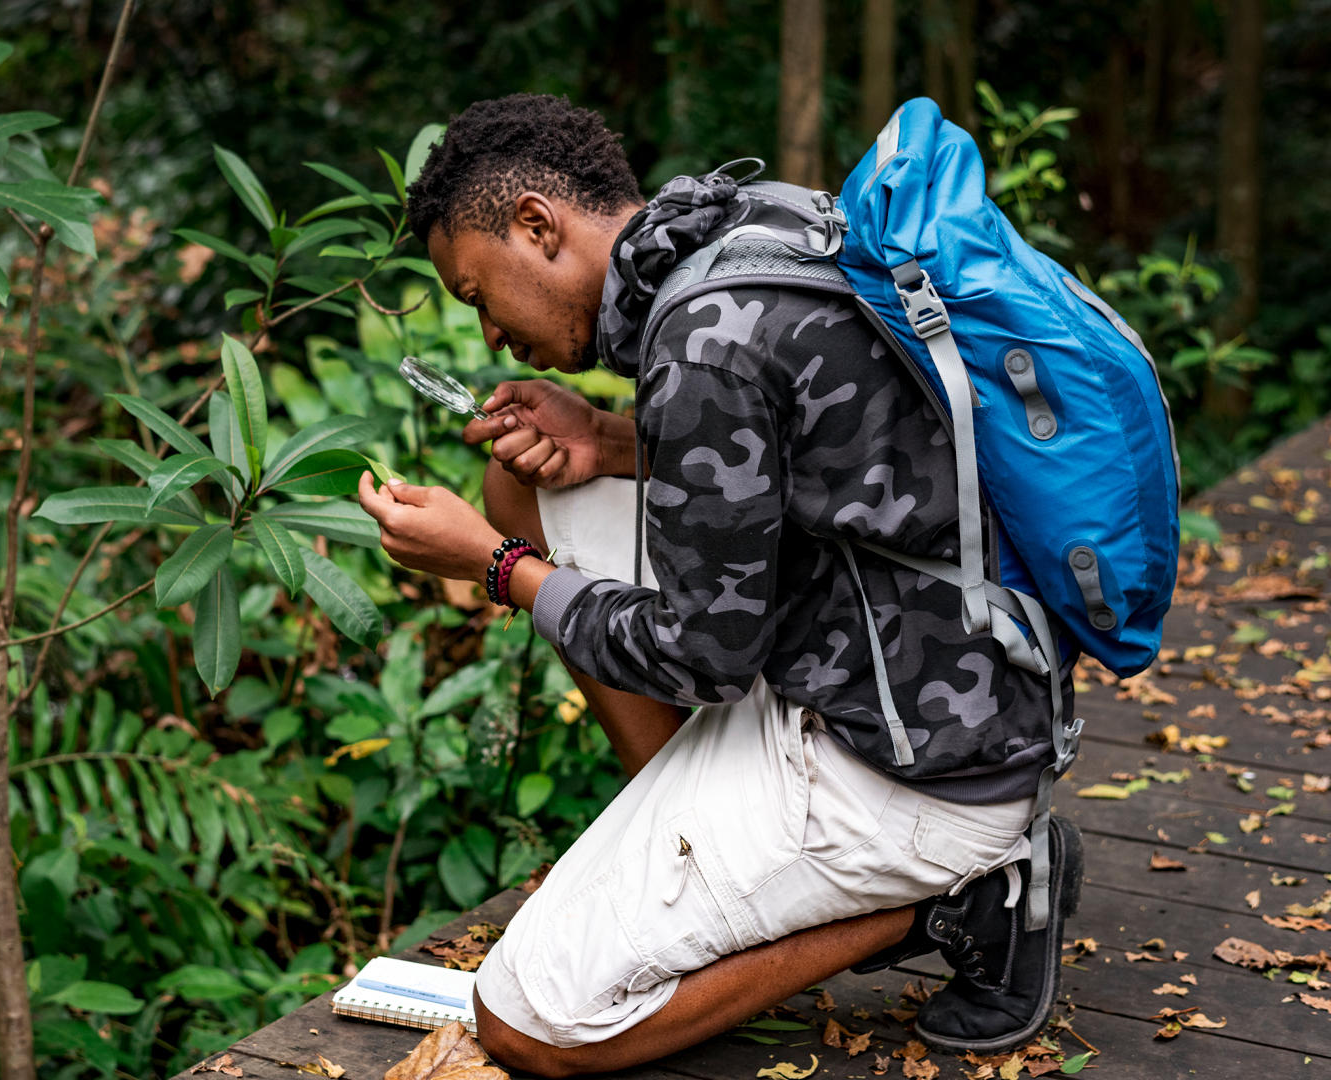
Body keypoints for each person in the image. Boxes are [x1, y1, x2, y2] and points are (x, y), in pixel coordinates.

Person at [354, 93, 1083, 1078]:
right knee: (518, 482)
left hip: (917, 767)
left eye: (479, 296)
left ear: (538, 225)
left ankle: (964, 897)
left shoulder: (698, 342)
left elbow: (701, 658)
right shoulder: (752, 220)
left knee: (532, 1020)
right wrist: (609, 439)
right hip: (961, 667)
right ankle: (690, 830)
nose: (487, 335)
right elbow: (819, 456)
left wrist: (489, 564)